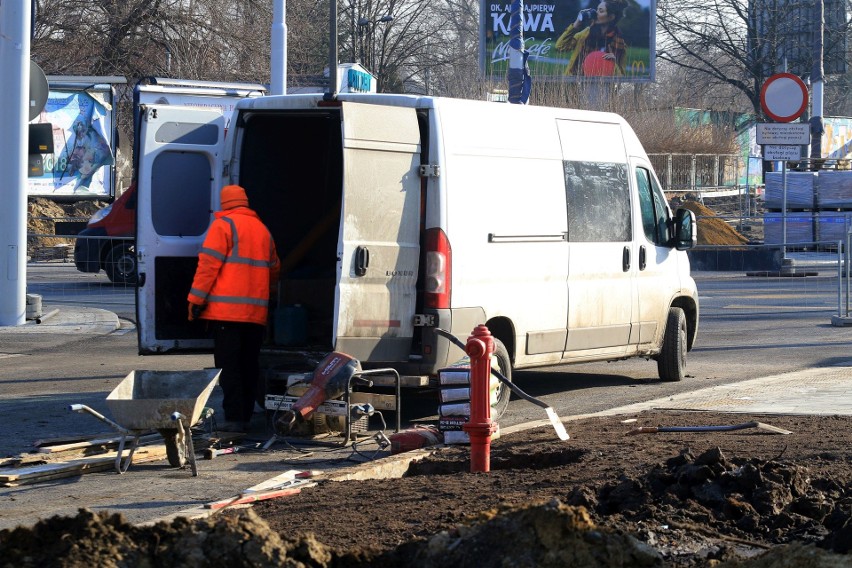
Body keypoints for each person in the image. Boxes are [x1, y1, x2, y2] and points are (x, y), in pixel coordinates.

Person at [187, 184, 280, 432]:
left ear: (224, 203)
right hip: (255, 315)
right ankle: (246, 416)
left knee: (229, 368)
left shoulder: (223, 226)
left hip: (225, 314)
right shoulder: (263, 231)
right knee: (249, 365)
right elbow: (274, 270)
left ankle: (234, 419)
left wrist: (195, 300)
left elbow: (208, 266)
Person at [555, 0, 628, 77]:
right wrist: (576, 25)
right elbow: (560, 47)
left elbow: (621, 77)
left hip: (603, 87)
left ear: (611, 17)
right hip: (575, 82)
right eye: (597, 9)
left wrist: (614, 63)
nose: (596, 13)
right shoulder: (585, 34)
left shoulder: (619, 43)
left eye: (601, 11)